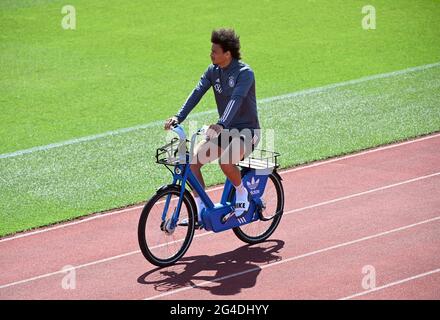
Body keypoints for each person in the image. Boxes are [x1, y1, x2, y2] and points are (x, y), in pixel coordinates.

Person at [164, 28, 260, 226]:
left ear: (227, 54)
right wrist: (178, 117)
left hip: (247, 132)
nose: (211, 54)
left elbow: (236, 100)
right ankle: (200, 211)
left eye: (215, 51)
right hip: (225, 131)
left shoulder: (245, 74)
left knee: (226, 161)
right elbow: (197, 92)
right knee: (193, 163)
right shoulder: (212, 71)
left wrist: (221, 124)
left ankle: (241, 193)